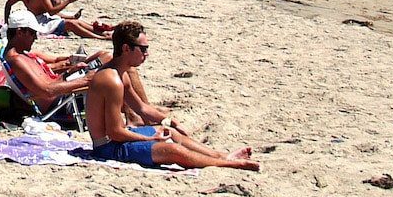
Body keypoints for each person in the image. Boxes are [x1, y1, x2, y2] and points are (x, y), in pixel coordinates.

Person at [81, 22, 259, 171]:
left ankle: (222, 155)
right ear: (126, 48)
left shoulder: (122, 74)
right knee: (171, 150)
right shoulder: (111, 80)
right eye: (143, 49)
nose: (146, 54)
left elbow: (142, 108)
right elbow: (115, 132)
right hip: (107, 148)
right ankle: (230, 164)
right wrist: (151, 139)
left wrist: (170, 122)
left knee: (171, 133)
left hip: (118, 140)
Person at [2, 10, 104, 112]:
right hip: (61, 106)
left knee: (104, 57)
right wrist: (86, 80)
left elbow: (49, 84)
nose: (35, 38)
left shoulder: (22, 56)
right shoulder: (17, 60)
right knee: (107, 77)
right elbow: (47, 91)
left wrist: (69, 72)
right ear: (19, 32)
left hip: (62, 97)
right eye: (32, 33)